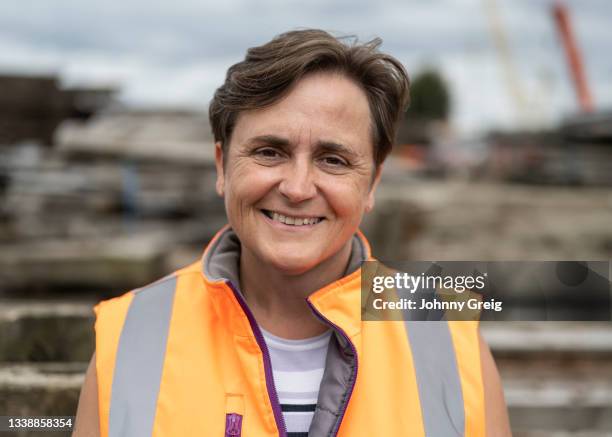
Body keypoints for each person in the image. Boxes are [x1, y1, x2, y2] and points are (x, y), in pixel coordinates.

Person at [73, 29, 511, 437]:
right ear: (223, 166)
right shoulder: (129, 337)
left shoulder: (450, 341)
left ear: (373, 183)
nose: (298, 188)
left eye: (333, 160)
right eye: (269, 152)